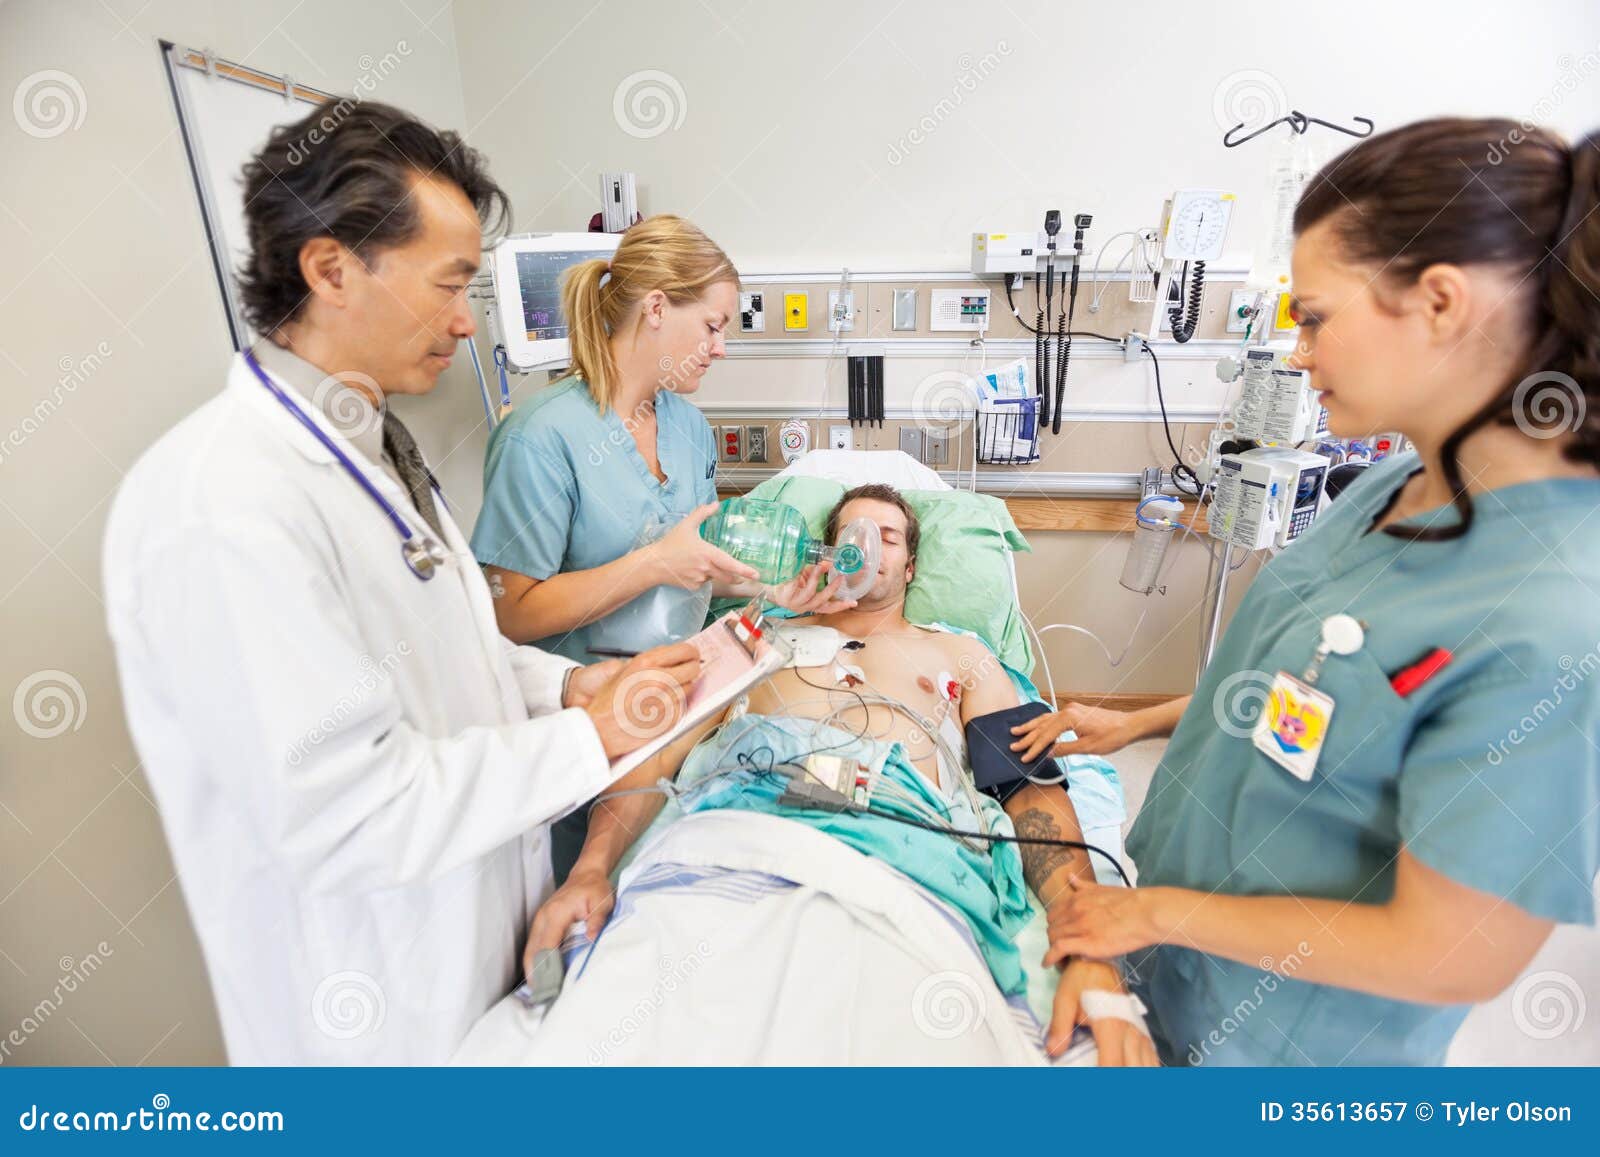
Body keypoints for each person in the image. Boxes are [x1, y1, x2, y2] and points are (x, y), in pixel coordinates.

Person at [102, 101, 700, 1064]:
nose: (469, 324)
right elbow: (347, 813)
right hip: (371, 1013)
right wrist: (593, 738)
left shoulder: (370, 447)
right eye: (452, 284)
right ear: (331, 269)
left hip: (473, 968)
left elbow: (444, 658)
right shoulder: (221, 503)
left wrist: (565, 686)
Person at [1016, 117, 1600, 1065]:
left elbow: (1453, 952)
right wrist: (1150, 720)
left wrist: (1155, 909)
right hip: (1165, 965)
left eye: (1317, 316)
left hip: (1290, 1050)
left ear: (1441, 303)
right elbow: (1328, 690)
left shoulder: (1556, 615)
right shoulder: (1394, 482)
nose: (1296, 352)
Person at [524, 484, 1159, 1066]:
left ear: (910, 568)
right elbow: (656, 755)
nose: (865, 545)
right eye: (851, 531)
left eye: (887, 537)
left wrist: (1087, 946)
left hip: (897, 855)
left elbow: (1026, 790)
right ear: (825, 551)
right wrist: (588, 870)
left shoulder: (961, 655)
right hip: (732, 836)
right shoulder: (753, 638)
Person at [471, 215, 851, 875]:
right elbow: (507, 612)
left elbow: (689, 559)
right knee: (595, 897)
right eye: (712, 326)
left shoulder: (690, 429)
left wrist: (763, 584)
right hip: (590, 731)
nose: (721, 347)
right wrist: (652, 564)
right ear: (654, 309)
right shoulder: (541, 437)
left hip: (688, 710)